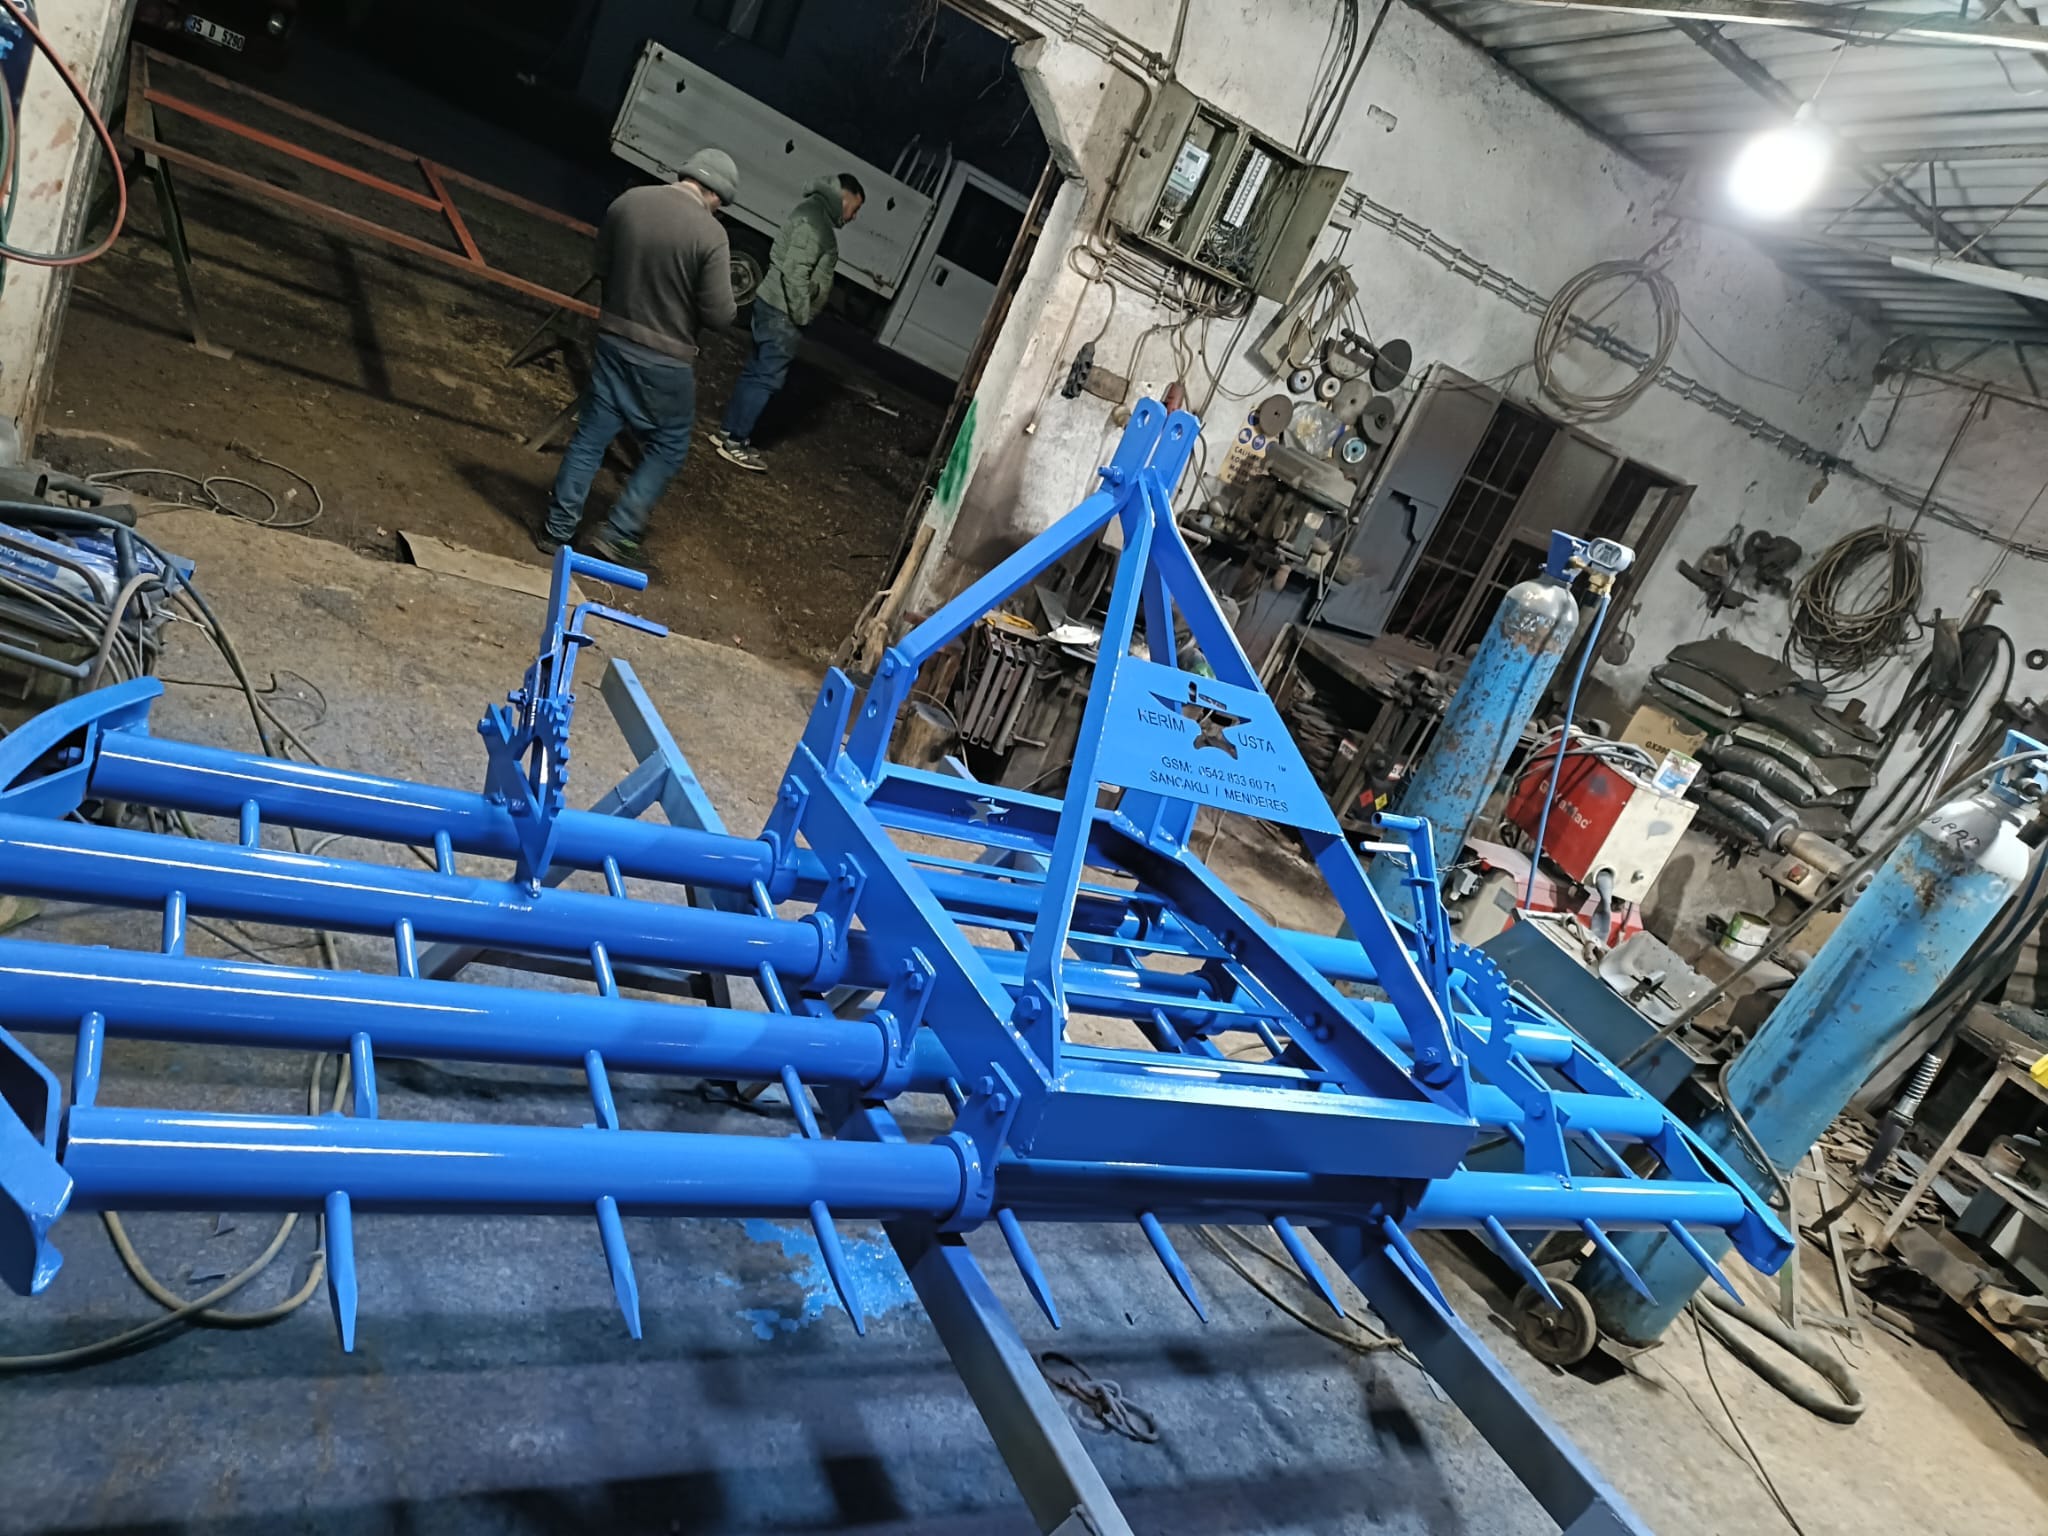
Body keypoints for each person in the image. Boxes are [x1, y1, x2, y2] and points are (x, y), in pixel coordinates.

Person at [539, 148, 741, 566]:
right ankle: (618, 533)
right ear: (716, 195)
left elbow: (601, 266)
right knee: (669, 444)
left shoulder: (628, 203)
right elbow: (720, 316)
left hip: (613, 341)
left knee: (591, 436)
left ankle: (556, 531)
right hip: (665, 358)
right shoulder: (711, 235)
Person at [709, 173, 865, 473]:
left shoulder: (812, 212)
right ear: (843, 198)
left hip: (772, 305)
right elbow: (795, 273)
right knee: (766, 379)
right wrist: (801, 313)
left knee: (755, 371)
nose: (854, 216)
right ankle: (735, 442)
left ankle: (728, 432)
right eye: (854, 209)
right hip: (782, 312)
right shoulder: (815, 223)